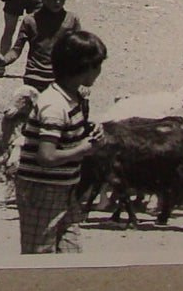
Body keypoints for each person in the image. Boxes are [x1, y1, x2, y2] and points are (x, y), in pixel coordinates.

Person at [7, 30, 108, 254]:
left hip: (65, 188)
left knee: (70, 252)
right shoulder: (54, 105)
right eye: (98, 66)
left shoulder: (74, 98)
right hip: (42, 190)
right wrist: (83, 149)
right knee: (40, 254)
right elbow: (47, 156)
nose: (100, 72)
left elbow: (68, 133)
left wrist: (91, 131)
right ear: (84, 67)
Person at [0, 0, 80, 89]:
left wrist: (81, 79)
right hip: (34, 78)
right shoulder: (30, 21)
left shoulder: (72, 20)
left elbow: (79, 52)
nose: (57, 2)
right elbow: (16, 50)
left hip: (60, 79)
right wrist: (4, 60)